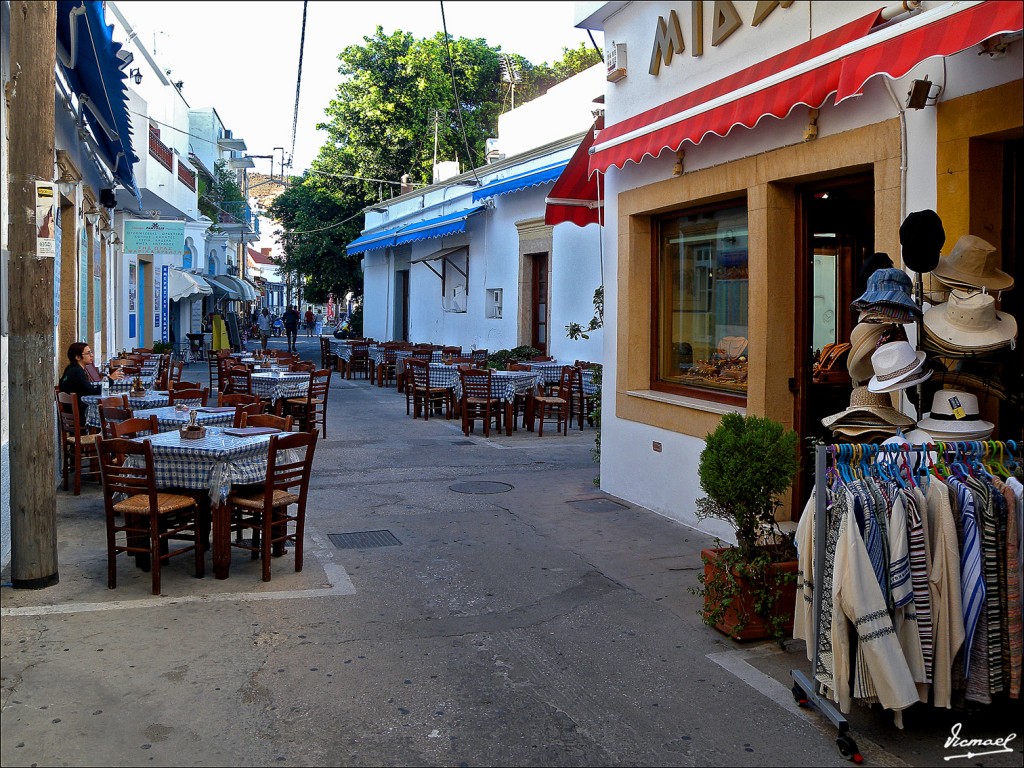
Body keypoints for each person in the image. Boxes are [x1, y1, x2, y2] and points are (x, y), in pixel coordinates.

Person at [58, 342, 125, 426]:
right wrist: (111, 379)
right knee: (113, 414)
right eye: (88, 353)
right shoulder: (77, 372)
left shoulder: (70, 368)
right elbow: (91, 391)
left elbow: (86, 387)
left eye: (91, 352)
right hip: (82, 416)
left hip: (73, 415)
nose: (92, 355)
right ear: (78, 357)